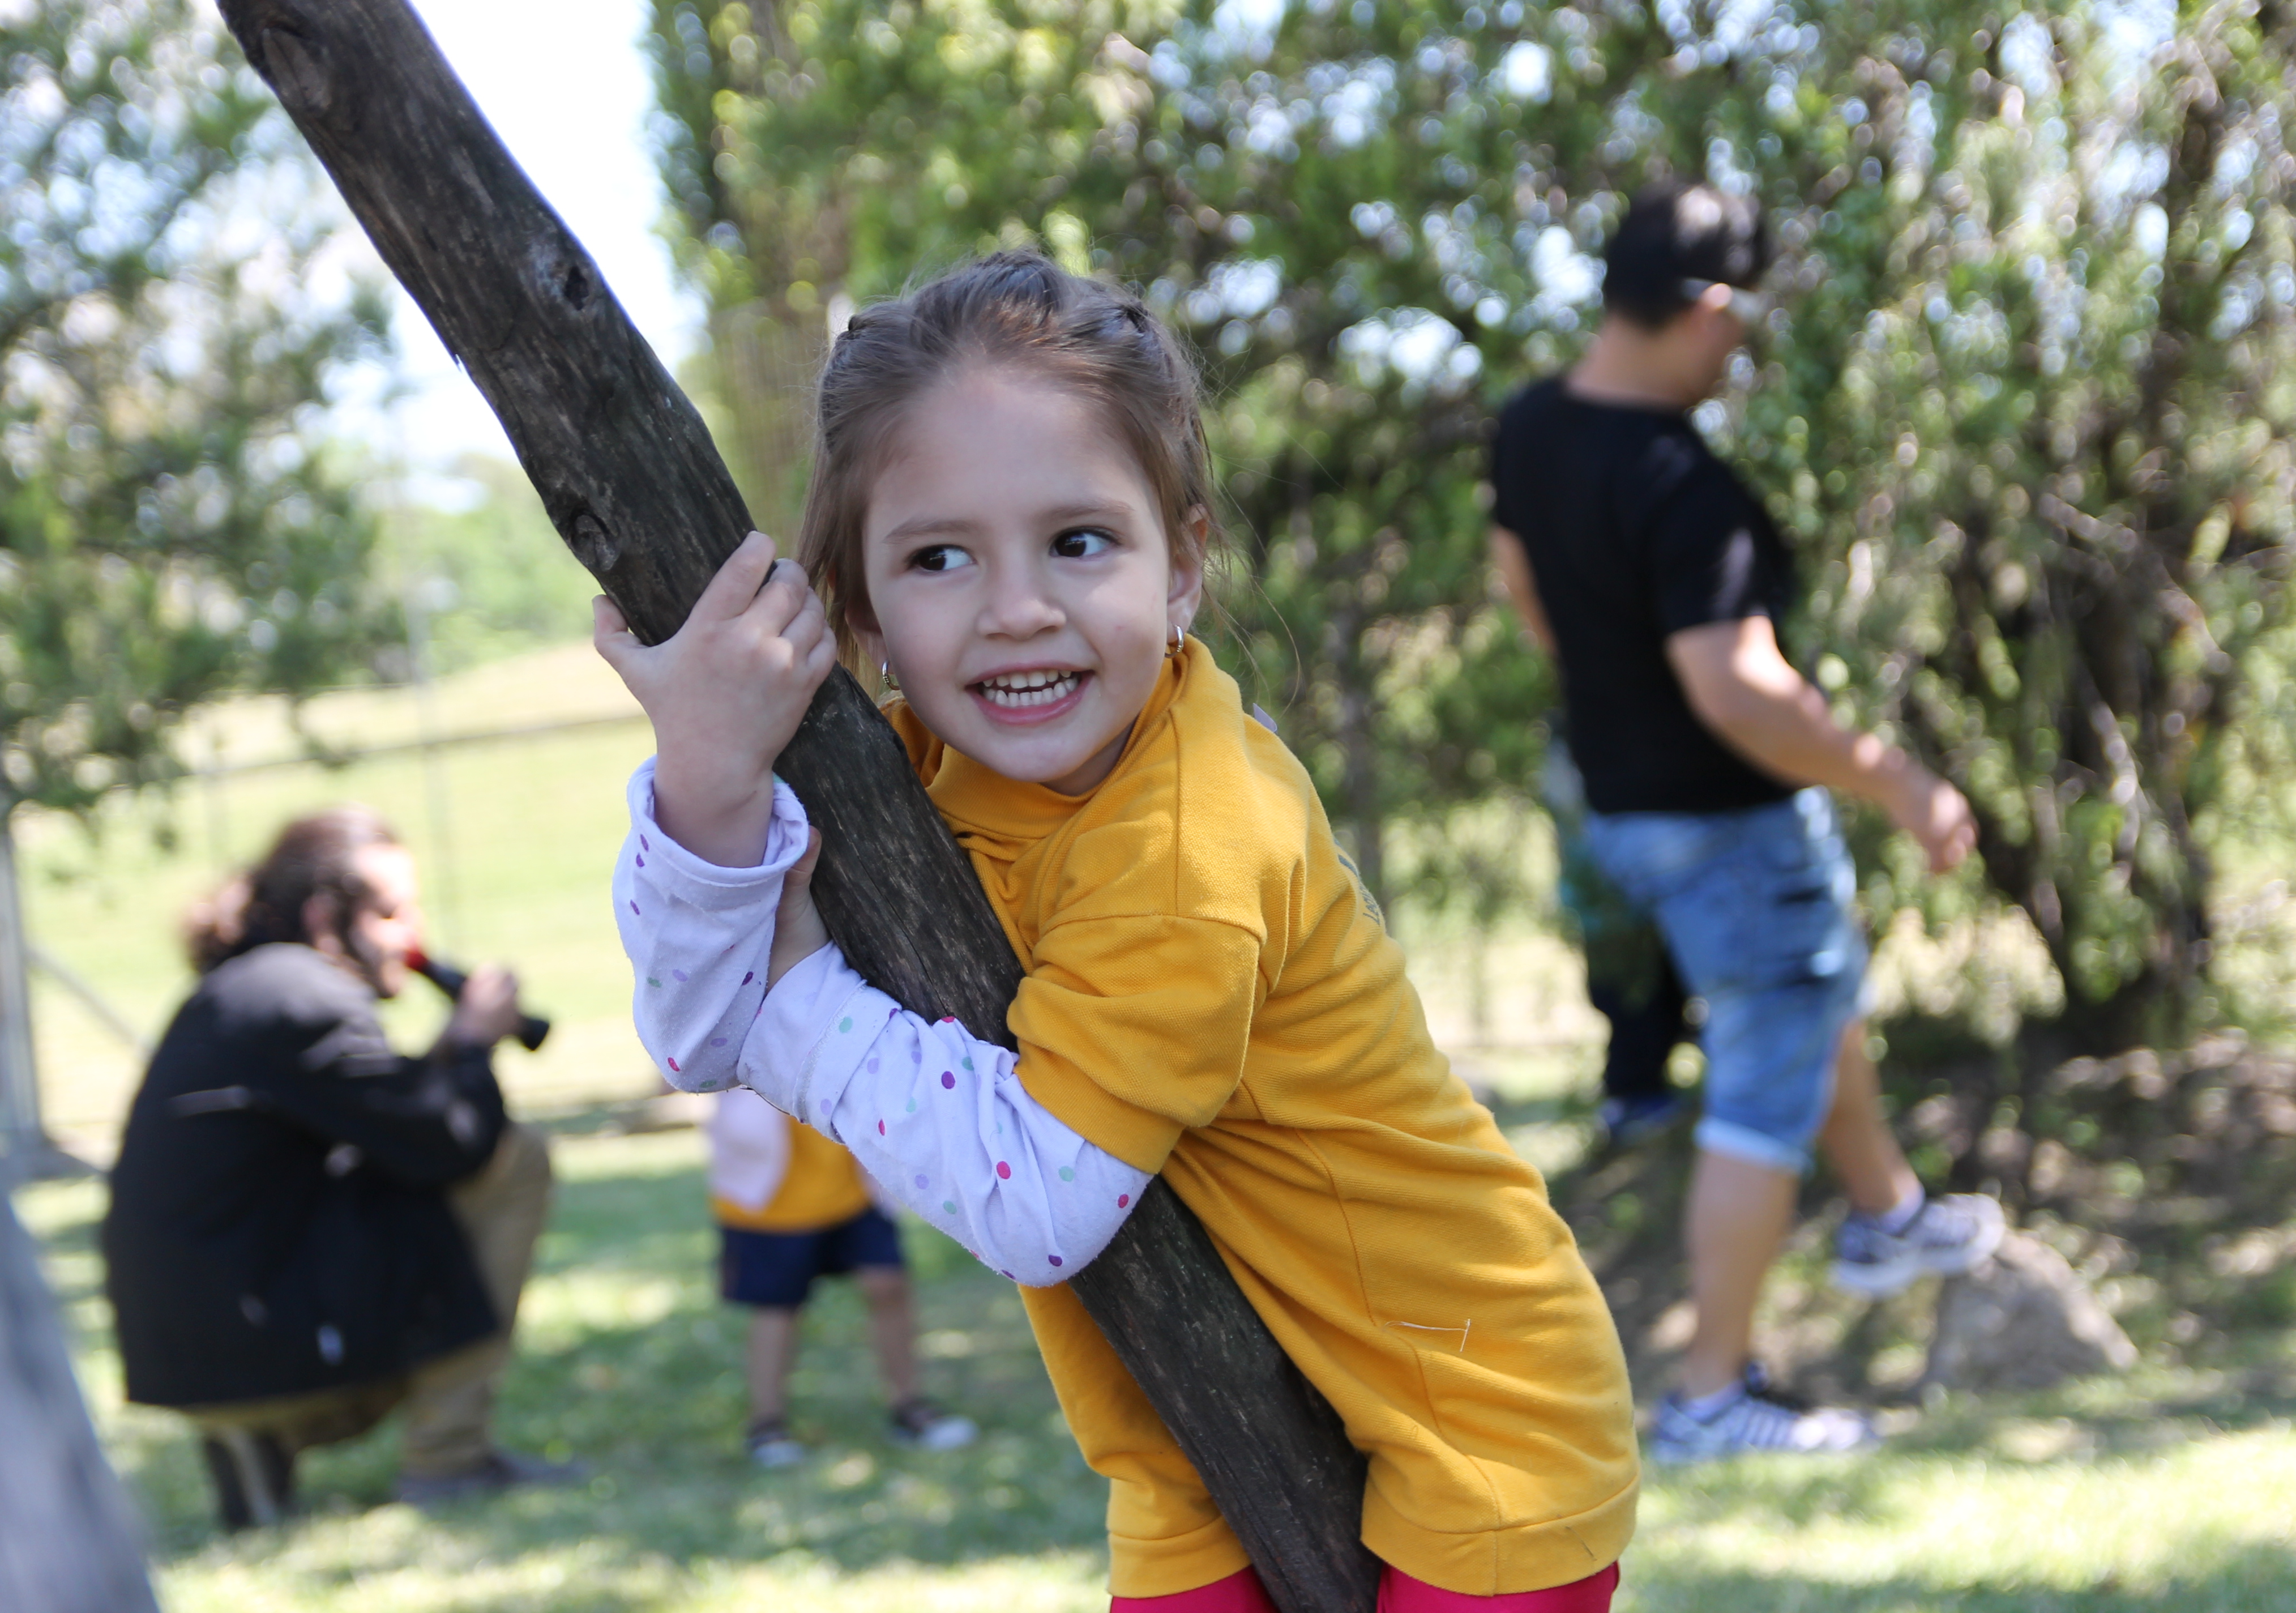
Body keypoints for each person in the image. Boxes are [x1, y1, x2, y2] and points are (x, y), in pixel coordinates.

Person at [597, 253, 1636, 1612]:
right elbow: (690, 1027)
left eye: (1077, 540)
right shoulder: (897, 777)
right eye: (938, 556)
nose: (1016, 606)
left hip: (1474, 1411)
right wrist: (704, 775)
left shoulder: (1191, 837)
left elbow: (1039, 1198)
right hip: (1194, 1433)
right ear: (860, 606)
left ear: (1184, 563)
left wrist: (791, 1004)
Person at [1486, 180, 2006, 1464]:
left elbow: (1517, 581)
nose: (1742, 344)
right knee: (1764, 1076)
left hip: (1623, 807)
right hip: (1722, 821)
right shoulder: (1682, 483)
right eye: (1742, 318)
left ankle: (1886, 1210)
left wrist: (1608, 694)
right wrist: (1895, 778)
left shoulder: (1531, 426)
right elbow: (1737, 688)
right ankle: (1711, 1393)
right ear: (1707, 306)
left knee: (1812, 980)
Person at [102, 806, 572, 1526]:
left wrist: (452, 1049)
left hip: (198, 1359)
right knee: (520, 1159)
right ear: (325, 915)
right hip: (259, 1352)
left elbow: (390, 1124)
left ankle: (258, 1438)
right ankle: (448, 1456)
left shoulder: (251, 990)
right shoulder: (307, 999)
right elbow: (451, 1145)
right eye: (390, 914)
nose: (411, 936)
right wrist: (476, 1042)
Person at [705, 1086, 980, 1465]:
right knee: (777, 1307)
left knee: (888, 1283)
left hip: (854, 1182)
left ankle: (909, 1405)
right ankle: (767, 1424)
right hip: (769, 1196)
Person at [1542, 729, 1696, 1146]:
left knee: (1655, 1000)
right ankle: (1633, 1101)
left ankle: (1639, 1098)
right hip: (1613, 912)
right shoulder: (1579, 755)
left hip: (1636, 907)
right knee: (1632, 1004)